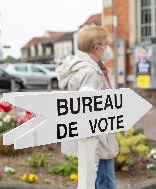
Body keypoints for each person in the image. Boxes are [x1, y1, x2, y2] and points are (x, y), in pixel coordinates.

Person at [56, 25, 119, 189]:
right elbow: (91, 114)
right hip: (97, 142)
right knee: (105, 182)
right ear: (96, 47)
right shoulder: (91, 72)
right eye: (106, 44)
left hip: (90, 142)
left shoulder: (78, 67)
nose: (108, 48)